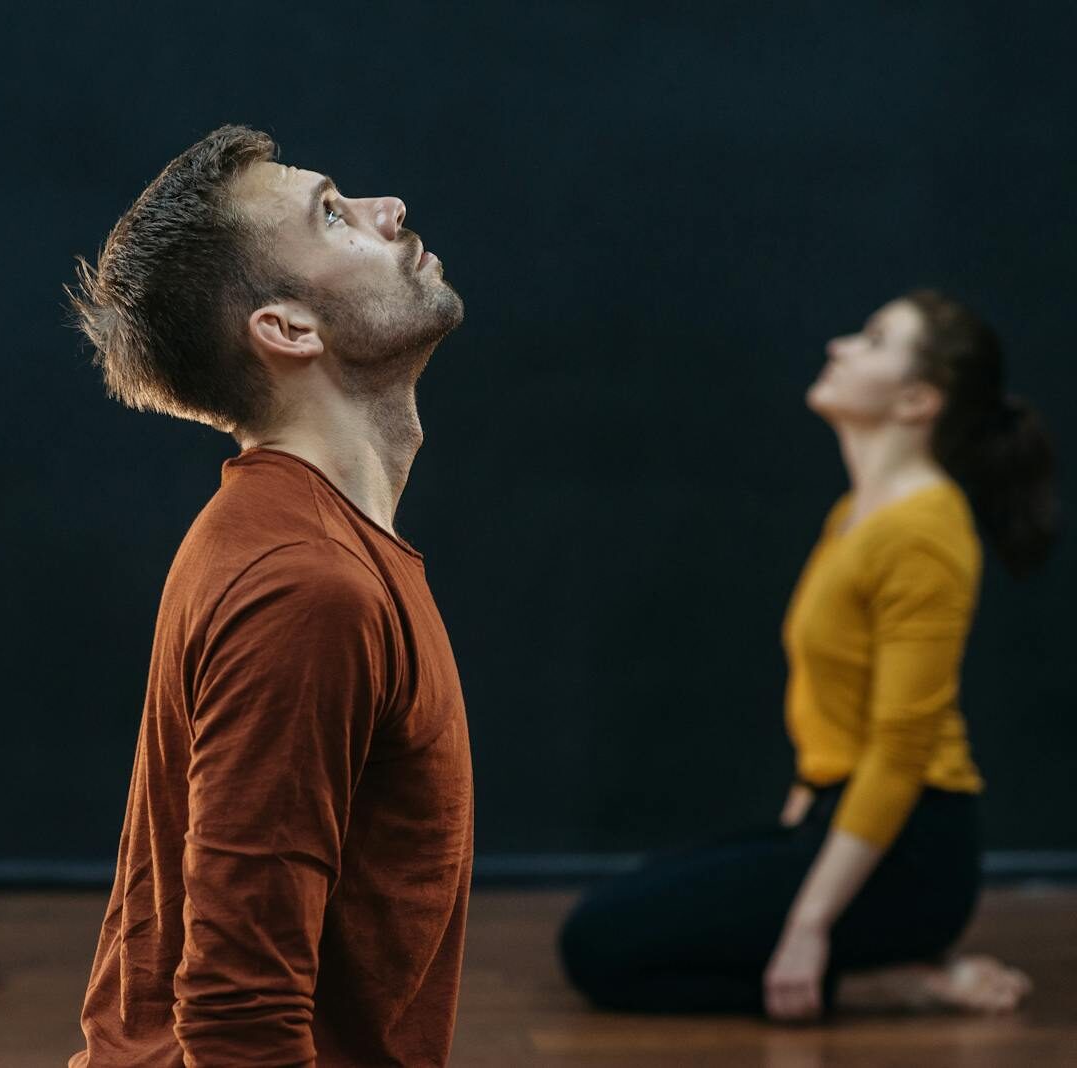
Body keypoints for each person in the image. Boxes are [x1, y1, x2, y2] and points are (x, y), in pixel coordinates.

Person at [66, 126, 473, 1066]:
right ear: (288, 330)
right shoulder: (306, 587)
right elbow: (237, 1011)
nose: (389, 210)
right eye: (332, 214)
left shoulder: (303, 542)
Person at [558, 290, 1056, 1020]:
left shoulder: (925, 530)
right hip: (835, 815)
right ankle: (865, 960)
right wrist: (798, 818)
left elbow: (900, 751)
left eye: (874, 339)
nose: (840, 346)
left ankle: (887, 982)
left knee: (598, 948)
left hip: (911, 852)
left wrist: (806, 925)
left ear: (918, 400)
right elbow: (834, 699)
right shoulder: (856, 513)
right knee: (630, 902)